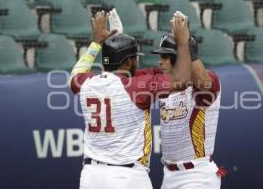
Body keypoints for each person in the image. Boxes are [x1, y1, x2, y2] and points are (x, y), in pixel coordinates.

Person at [68, 10, 192, 189]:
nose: (136, 62)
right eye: (134, 58)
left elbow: (75, 75)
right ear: (127, 62)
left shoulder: (87, 83)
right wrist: (182, 42)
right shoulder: (136, 88)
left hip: (91, 176)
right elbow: (182, 80)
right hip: (125, 177)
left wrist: (96, 43)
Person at [151, 33, 226, 189]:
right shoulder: (168, 83)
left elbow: (206, 83)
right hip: (169, 175)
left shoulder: (203, 82)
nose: (161, 61)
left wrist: (186, 47)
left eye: (166, 56)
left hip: (196, 176)